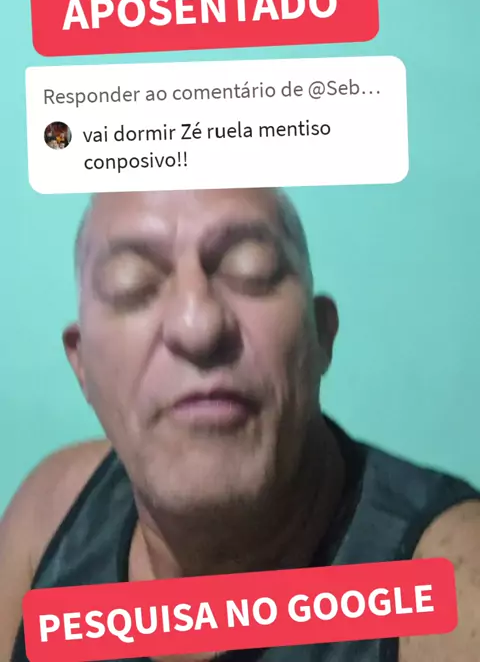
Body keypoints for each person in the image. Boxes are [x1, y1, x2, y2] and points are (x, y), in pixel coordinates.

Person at [1, 188, 480, 662]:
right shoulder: (51, 517)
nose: (198, 326)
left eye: (252, 271)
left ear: (321, 335)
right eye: (135, 285)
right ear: (82, 364)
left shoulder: (454, 591)